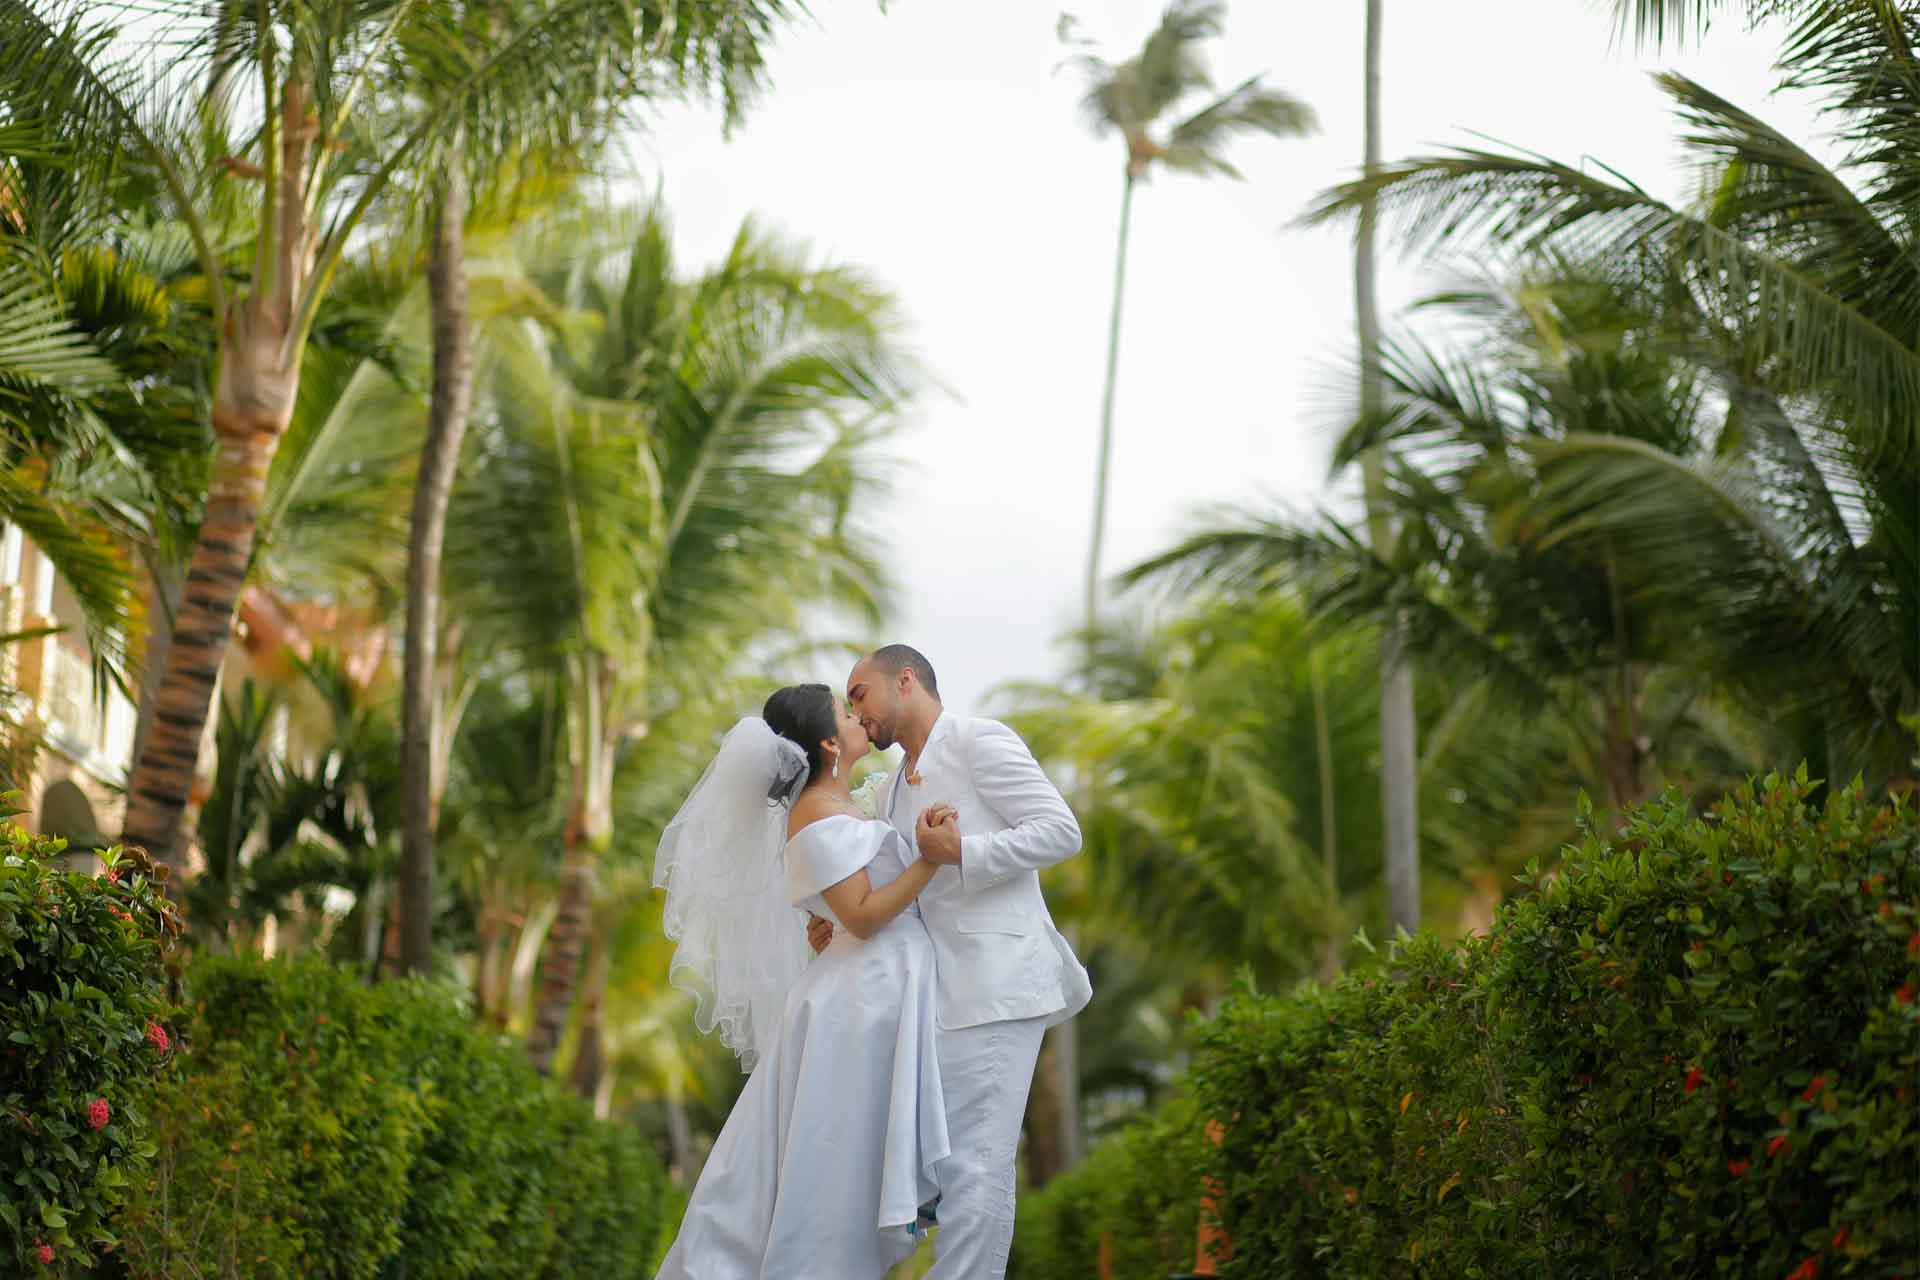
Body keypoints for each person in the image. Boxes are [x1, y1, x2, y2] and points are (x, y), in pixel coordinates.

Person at [653, 684, 960, 1279]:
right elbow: (866, 916)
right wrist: (928, 858)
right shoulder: (816, 811)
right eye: (847, 713)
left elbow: (845, 907)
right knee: (831, 1168)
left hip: (870, 991)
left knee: (838, 1163)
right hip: (857, 1005)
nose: (858, 717)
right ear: (828, 741)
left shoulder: (838, 805)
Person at [815, 644, 1091, 1280]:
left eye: (859, 694)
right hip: (935, 1001)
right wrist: (837, 922)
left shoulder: (978, 741)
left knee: (978, 1168)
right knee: (941, 1172)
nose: (855, 712)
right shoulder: (887, 791)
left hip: (999, 987)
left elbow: (1060, 829)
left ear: (904, 681)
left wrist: (965, 849)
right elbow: (902, 890)